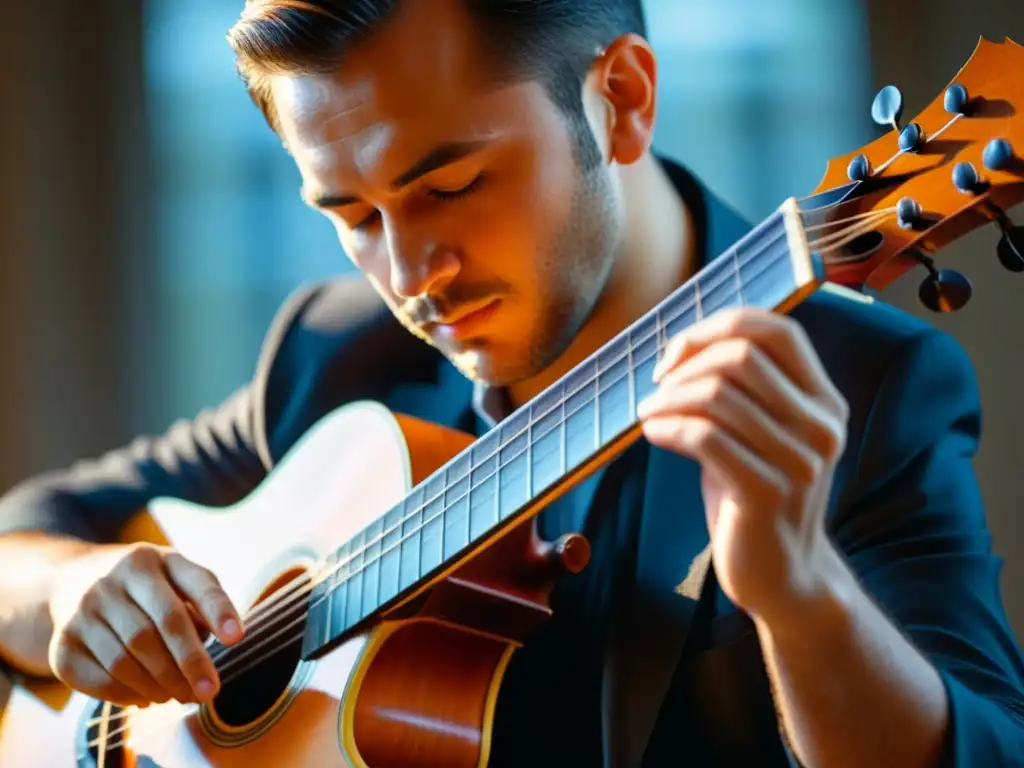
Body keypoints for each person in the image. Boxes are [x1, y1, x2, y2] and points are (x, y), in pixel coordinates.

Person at [1, 0, 1023, 765]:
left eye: (448, 186)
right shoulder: (338, 351)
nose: (408, 276)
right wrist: (69, 592)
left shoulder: (861, 388)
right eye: (352, 216)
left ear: (619, 99)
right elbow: (26, 535)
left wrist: (803, 601)